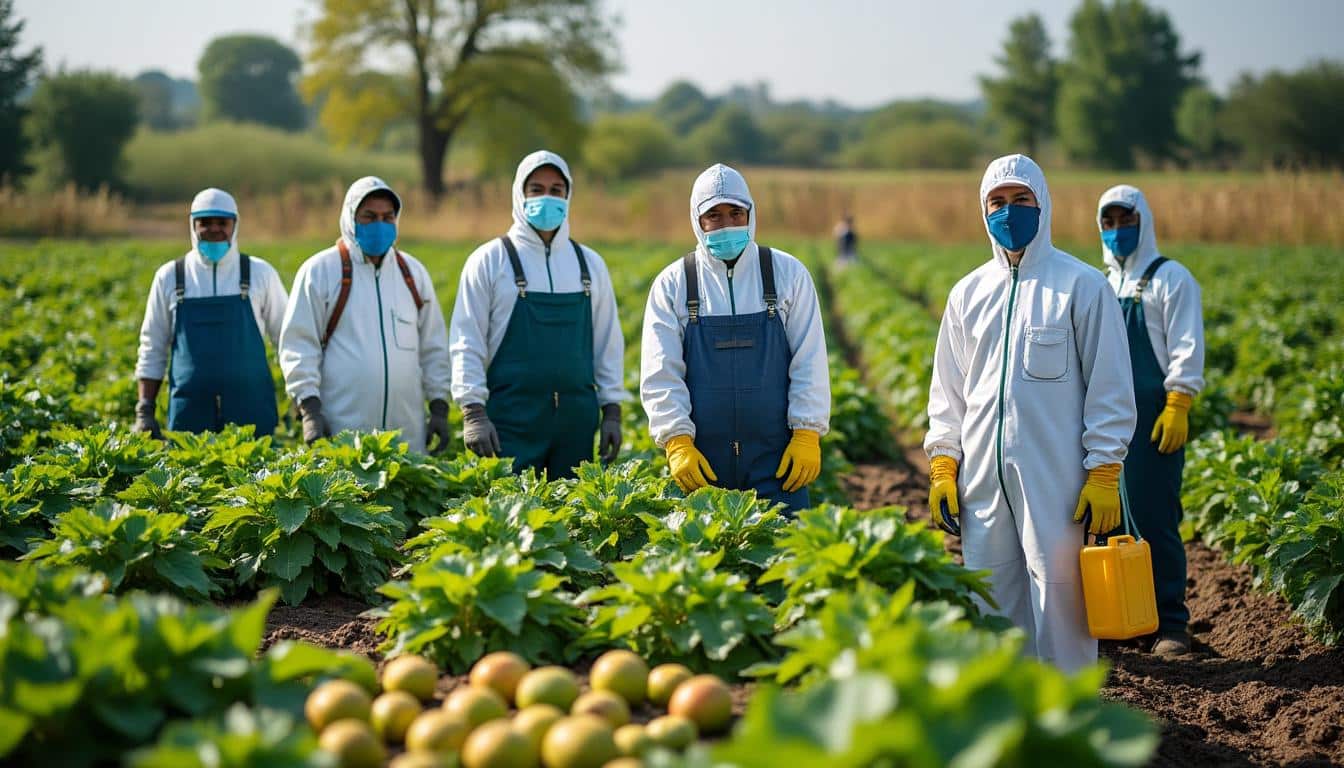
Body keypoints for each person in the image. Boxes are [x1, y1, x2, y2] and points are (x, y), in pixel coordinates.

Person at [925, 154, 1137, 673]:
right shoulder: (968, 293)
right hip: (981, 478)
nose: (1008, 212)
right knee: (991, 593)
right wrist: (943, 464)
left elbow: (1109, 387)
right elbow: (948, 393)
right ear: (983, 210)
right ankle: (1009, 717)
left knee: (1060, 594)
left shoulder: (1081, 286)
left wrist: (1104, 469)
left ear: (1043, 205)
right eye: (997, 202)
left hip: (1057, 479)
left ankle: (1068, 713)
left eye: (1021, 200)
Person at [640, 163, 830, 512]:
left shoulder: (787, 274)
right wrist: (677, 442)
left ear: (750, 215)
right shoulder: (675, 283)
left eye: (735, 213)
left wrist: (807, 433)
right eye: (713, 215)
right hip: (701, 465)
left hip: (778, 463)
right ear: (697, 221)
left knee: (785, 560)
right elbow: (661, 373)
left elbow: (810, 361)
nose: (726, 224)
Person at [448, 150, 626, 478]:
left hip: (576, 423)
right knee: (511, 519)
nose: (547, 198)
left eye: (556, 190)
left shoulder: (588, 264)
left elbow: (608, 345)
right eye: (536, 189)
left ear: (568, 195)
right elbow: (466, 340)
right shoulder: (490, 260)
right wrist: (473, 411)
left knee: (574, 521)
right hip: (510, 422)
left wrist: (612, 410)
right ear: (520, 194)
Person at [1098, 184, 1205, 657]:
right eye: (1109, 222)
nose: (1119, 231)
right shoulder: (1097, 284)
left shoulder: (1170, 278)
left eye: (1127, 221)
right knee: (1107, 521)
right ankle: (1119, 619)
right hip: (1104, 420)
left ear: (1145, 222)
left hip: (1154, 422)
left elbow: (1186, 347)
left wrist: (1178, 402)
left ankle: (1170, 624)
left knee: (1154, 518)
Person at [279, 177, 452, 454]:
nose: (379, 225)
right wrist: (310, 411)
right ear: (350, 219)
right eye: (369, 217)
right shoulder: (321, 272)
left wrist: (440, 407)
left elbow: (433, 348)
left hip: (407, 438)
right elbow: (300, 346)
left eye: (387, 217)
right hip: (342, 435)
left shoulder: (413, 274)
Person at [132, 188, 288, 438]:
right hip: (189, 415)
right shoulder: (171, 276)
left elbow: (287, 339)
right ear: (192, 225)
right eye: (205, 222)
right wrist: (145, 409)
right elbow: (153, 344)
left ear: (235, 225)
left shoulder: (259, 273)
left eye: (222, 222)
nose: (214, 229)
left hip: (252, 413)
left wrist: (305, 400)